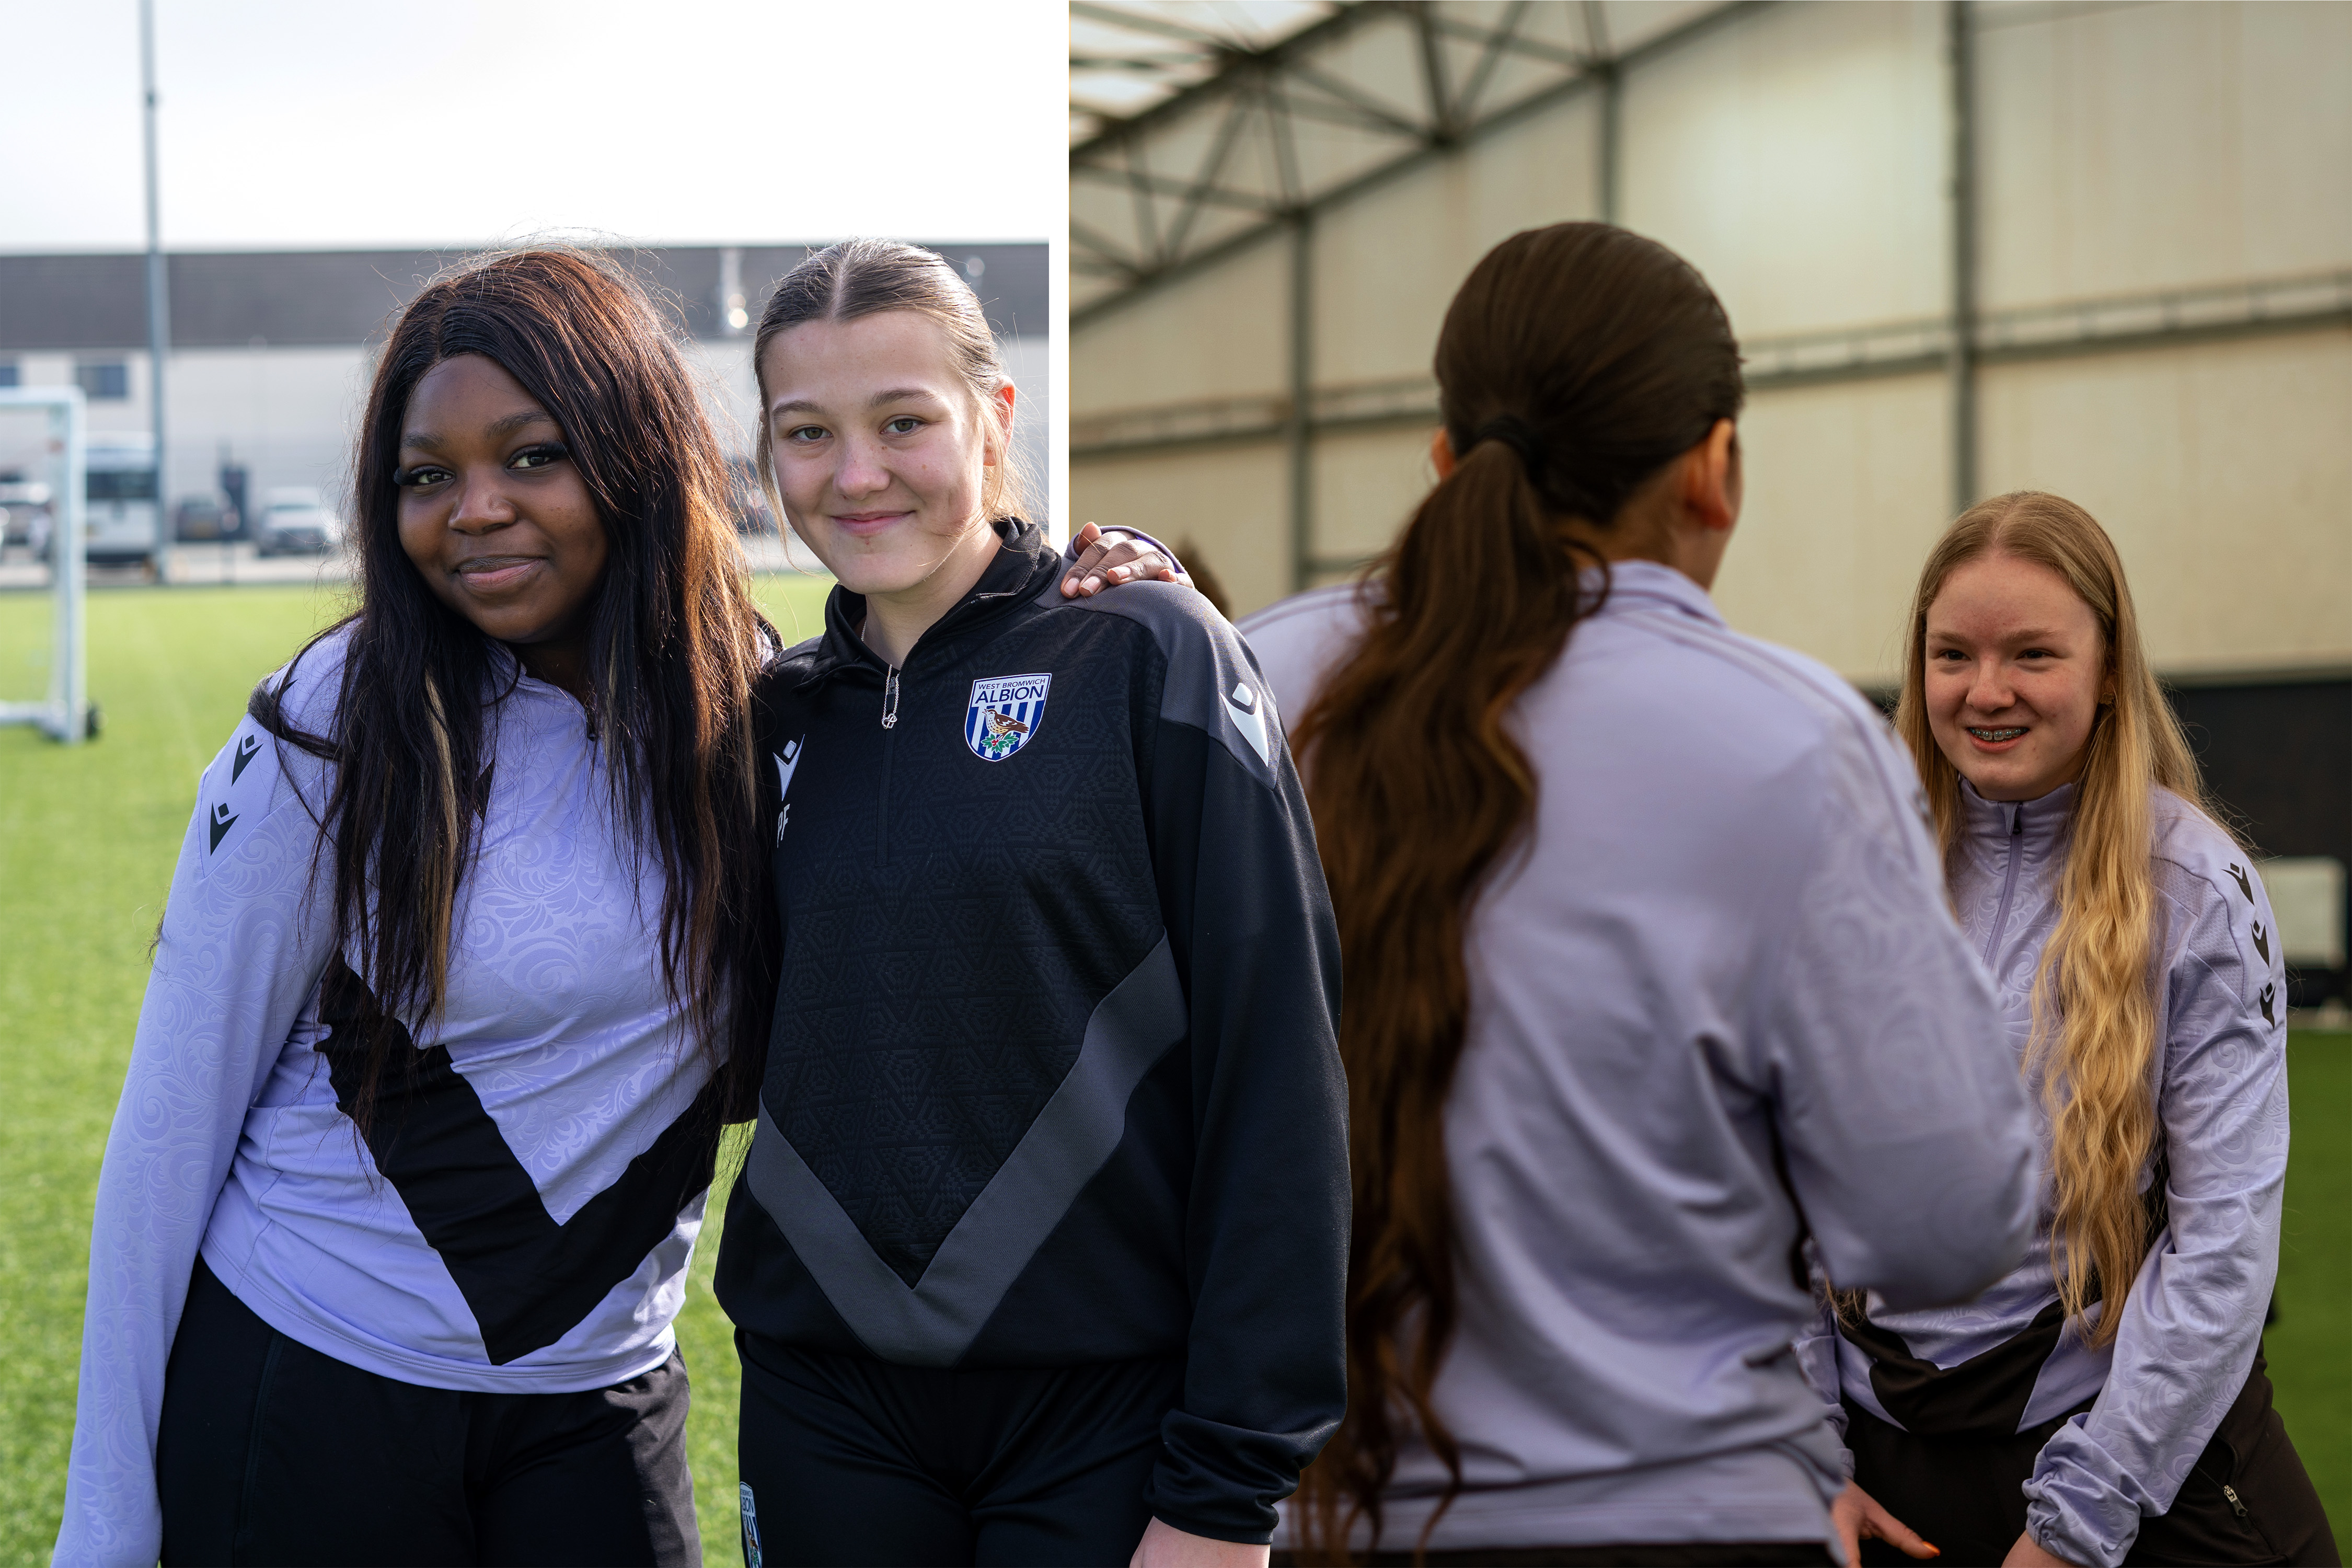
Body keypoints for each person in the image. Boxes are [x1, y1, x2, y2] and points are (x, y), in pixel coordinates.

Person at [52, 246, 1176, 1568]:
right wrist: (107, 1529)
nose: (475, 509)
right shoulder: (334, 723)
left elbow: (938, 741)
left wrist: (1105, 598)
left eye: (532, 457)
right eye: (428, 476)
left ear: (635, 455)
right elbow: (168, 1130)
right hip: (312, 1386)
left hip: (600, 1400)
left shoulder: (761, 704)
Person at [1237, 221, 2040, 1564]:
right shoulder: (1793, 741)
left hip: (1305, 1518)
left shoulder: (1251, 681)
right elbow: (1948, 1227)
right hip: (1687, 1516)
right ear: (1713, 467)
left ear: (1444, 462)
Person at [712, 239, 1349, 1568]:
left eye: (904, 422)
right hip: (824, 1407)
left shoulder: (1150, 651)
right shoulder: (770, 715)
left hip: (1105, 1415)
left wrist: (1228, 1493)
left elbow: (1278, 1072)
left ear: (995, 419)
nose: (858, 473)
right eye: (808, 434)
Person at [1800, 492, 2337, 1568]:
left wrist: (2079, 1520)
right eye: (1953, 654)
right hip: (1879, 1479)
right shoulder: (1848, 867)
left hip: (2123, 1464)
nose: (1986, 691)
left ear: (2106, 666)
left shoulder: (2192, 885)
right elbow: (1778, 1207)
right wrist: (1808, 1458)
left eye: (2033, 654)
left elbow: (2223, 1242)